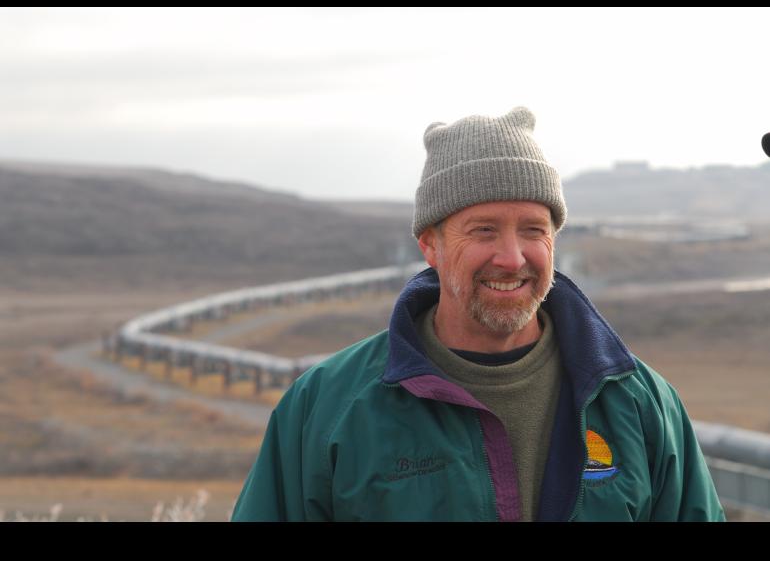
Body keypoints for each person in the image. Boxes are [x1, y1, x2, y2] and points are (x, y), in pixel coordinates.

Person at [231, 106, 725, 522]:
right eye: (483, 230)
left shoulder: (640, 403)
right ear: (430, 244)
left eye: (533, 230)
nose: (511, 258)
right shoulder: (327, 407)